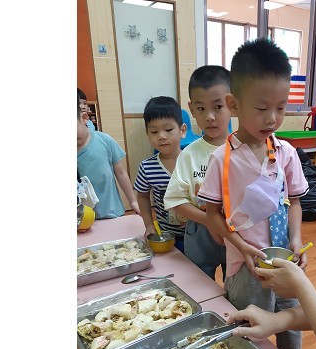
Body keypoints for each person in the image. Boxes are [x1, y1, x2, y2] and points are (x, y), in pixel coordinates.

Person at [197, 38, 309, 349]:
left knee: (290, 321)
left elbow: (295, 202)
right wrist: (239, 245)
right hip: (244, 264)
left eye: (281, 108)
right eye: (262, 108)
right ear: (234, 105)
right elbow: (212, 213)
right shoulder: (223, 159)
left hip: (284, 261)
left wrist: (296, 239)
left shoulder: (286, 152)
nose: (272, 118)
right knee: (247, 337)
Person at [163, 65, 231, 280]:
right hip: (200, 230)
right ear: (191, 109)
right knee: (200, 285)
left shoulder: (244, 150)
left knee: (236, 287)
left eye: (218, 107)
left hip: (235, 232)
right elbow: (175, 200)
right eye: (201, 108)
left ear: (233, 104)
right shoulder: (189, 154)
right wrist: (209, 219)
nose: (209, 116)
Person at [134, 96, 187, 252]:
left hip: (197, 235)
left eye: (168, 130)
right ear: (147, 133)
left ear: (182, 130)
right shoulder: (147, 167)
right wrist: (149, 225)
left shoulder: (193, 163)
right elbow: (143, 196)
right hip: (166, 236)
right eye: (154, 131)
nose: (161, 136)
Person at [77, 96, 140, 219]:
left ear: (84, 118)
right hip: (82, 219)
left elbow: (121, 173)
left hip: (112, 212)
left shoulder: (104, 140)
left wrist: (133, 201)